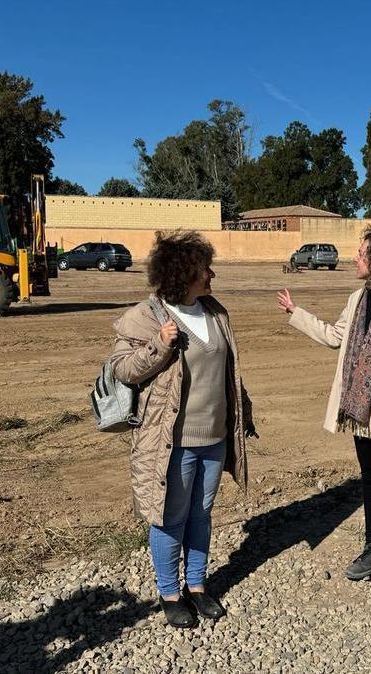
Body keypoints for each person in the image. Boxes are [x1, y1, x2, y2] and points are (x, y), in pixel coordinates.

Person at [110, 231, 255, 628]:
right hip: (170, 441)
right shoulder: (146, 316)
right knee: (169, 517)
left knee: (201, 515)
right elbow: (122, 369)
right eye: (202, 269)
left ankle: (196, 586)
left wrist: (243, 410)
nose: (211, 275)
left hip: (214, 437)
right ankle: (169, 593)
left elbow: (228, 371)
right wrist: (158, 345)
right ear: (181, 274)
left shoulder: (214, 311)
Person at [277, 227, 371, 589]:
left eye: (361, 253)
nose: (354, 258)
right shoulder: (356, 300)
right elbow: (335, 337)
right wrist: (296, 312)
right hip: (361, 408)